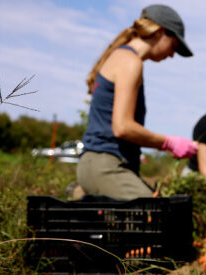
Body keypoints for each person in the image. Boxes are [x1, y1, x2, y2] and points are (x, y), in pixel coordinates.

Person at [77, 4, 198, 200]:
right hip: (106, 166)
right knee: (159, 216)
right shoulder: (130, 62)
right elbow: (122, 127)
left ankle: (82, 191)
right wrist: (168, 143)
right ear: (159, 32)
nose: (172, 54)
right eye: (173, 46)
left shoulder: (122, 57)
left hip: (98, 164)